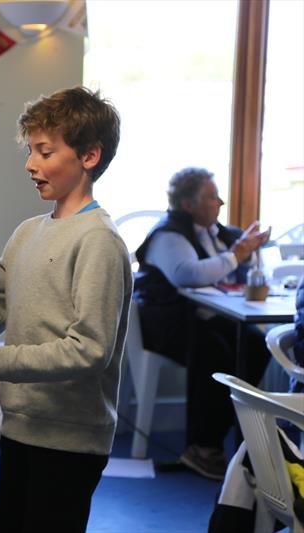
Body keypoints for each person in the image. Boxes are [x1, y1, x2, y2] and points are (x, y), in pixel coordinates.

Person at [0, 87, 132, 533]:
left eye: (44, 151)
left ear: (89, 156)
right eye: (31, 151)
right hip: (19, 427)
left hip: (71, 440)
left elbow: (89, 351)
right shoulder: (26, 233)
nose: (30, 164)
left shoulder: (99, 241)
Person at [133, 167, 271, 480]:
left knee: (253, 343)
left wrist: (244, 253)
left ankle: (220, 437)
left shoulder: (214, 231)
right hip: (164, 323)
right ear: (188, 204)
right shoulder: (169, 235)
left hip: (201, 318)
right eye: (211, 197)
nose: (220, 202)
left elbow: (226, 272)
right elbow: (189, 274)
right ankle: (203, 446)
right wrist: (236, 255)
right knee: (217, 353)